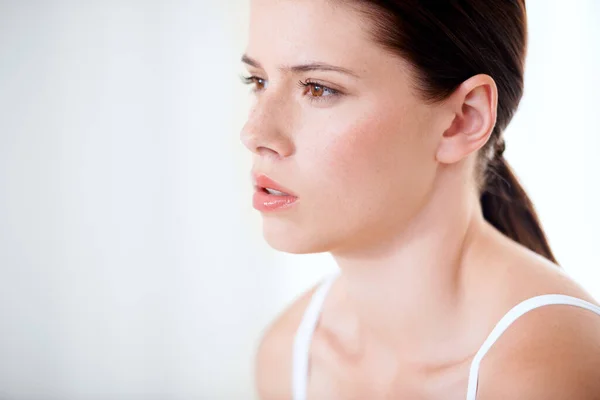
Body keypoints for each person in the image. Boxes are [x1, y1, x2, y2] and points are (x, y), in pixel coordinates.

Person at [239, 0, 600, 398]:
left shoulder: (549, 371)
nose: (255, 133)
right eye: (257, 81)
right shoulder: (289, 355)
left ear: (463, 118)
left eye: (319, 88)